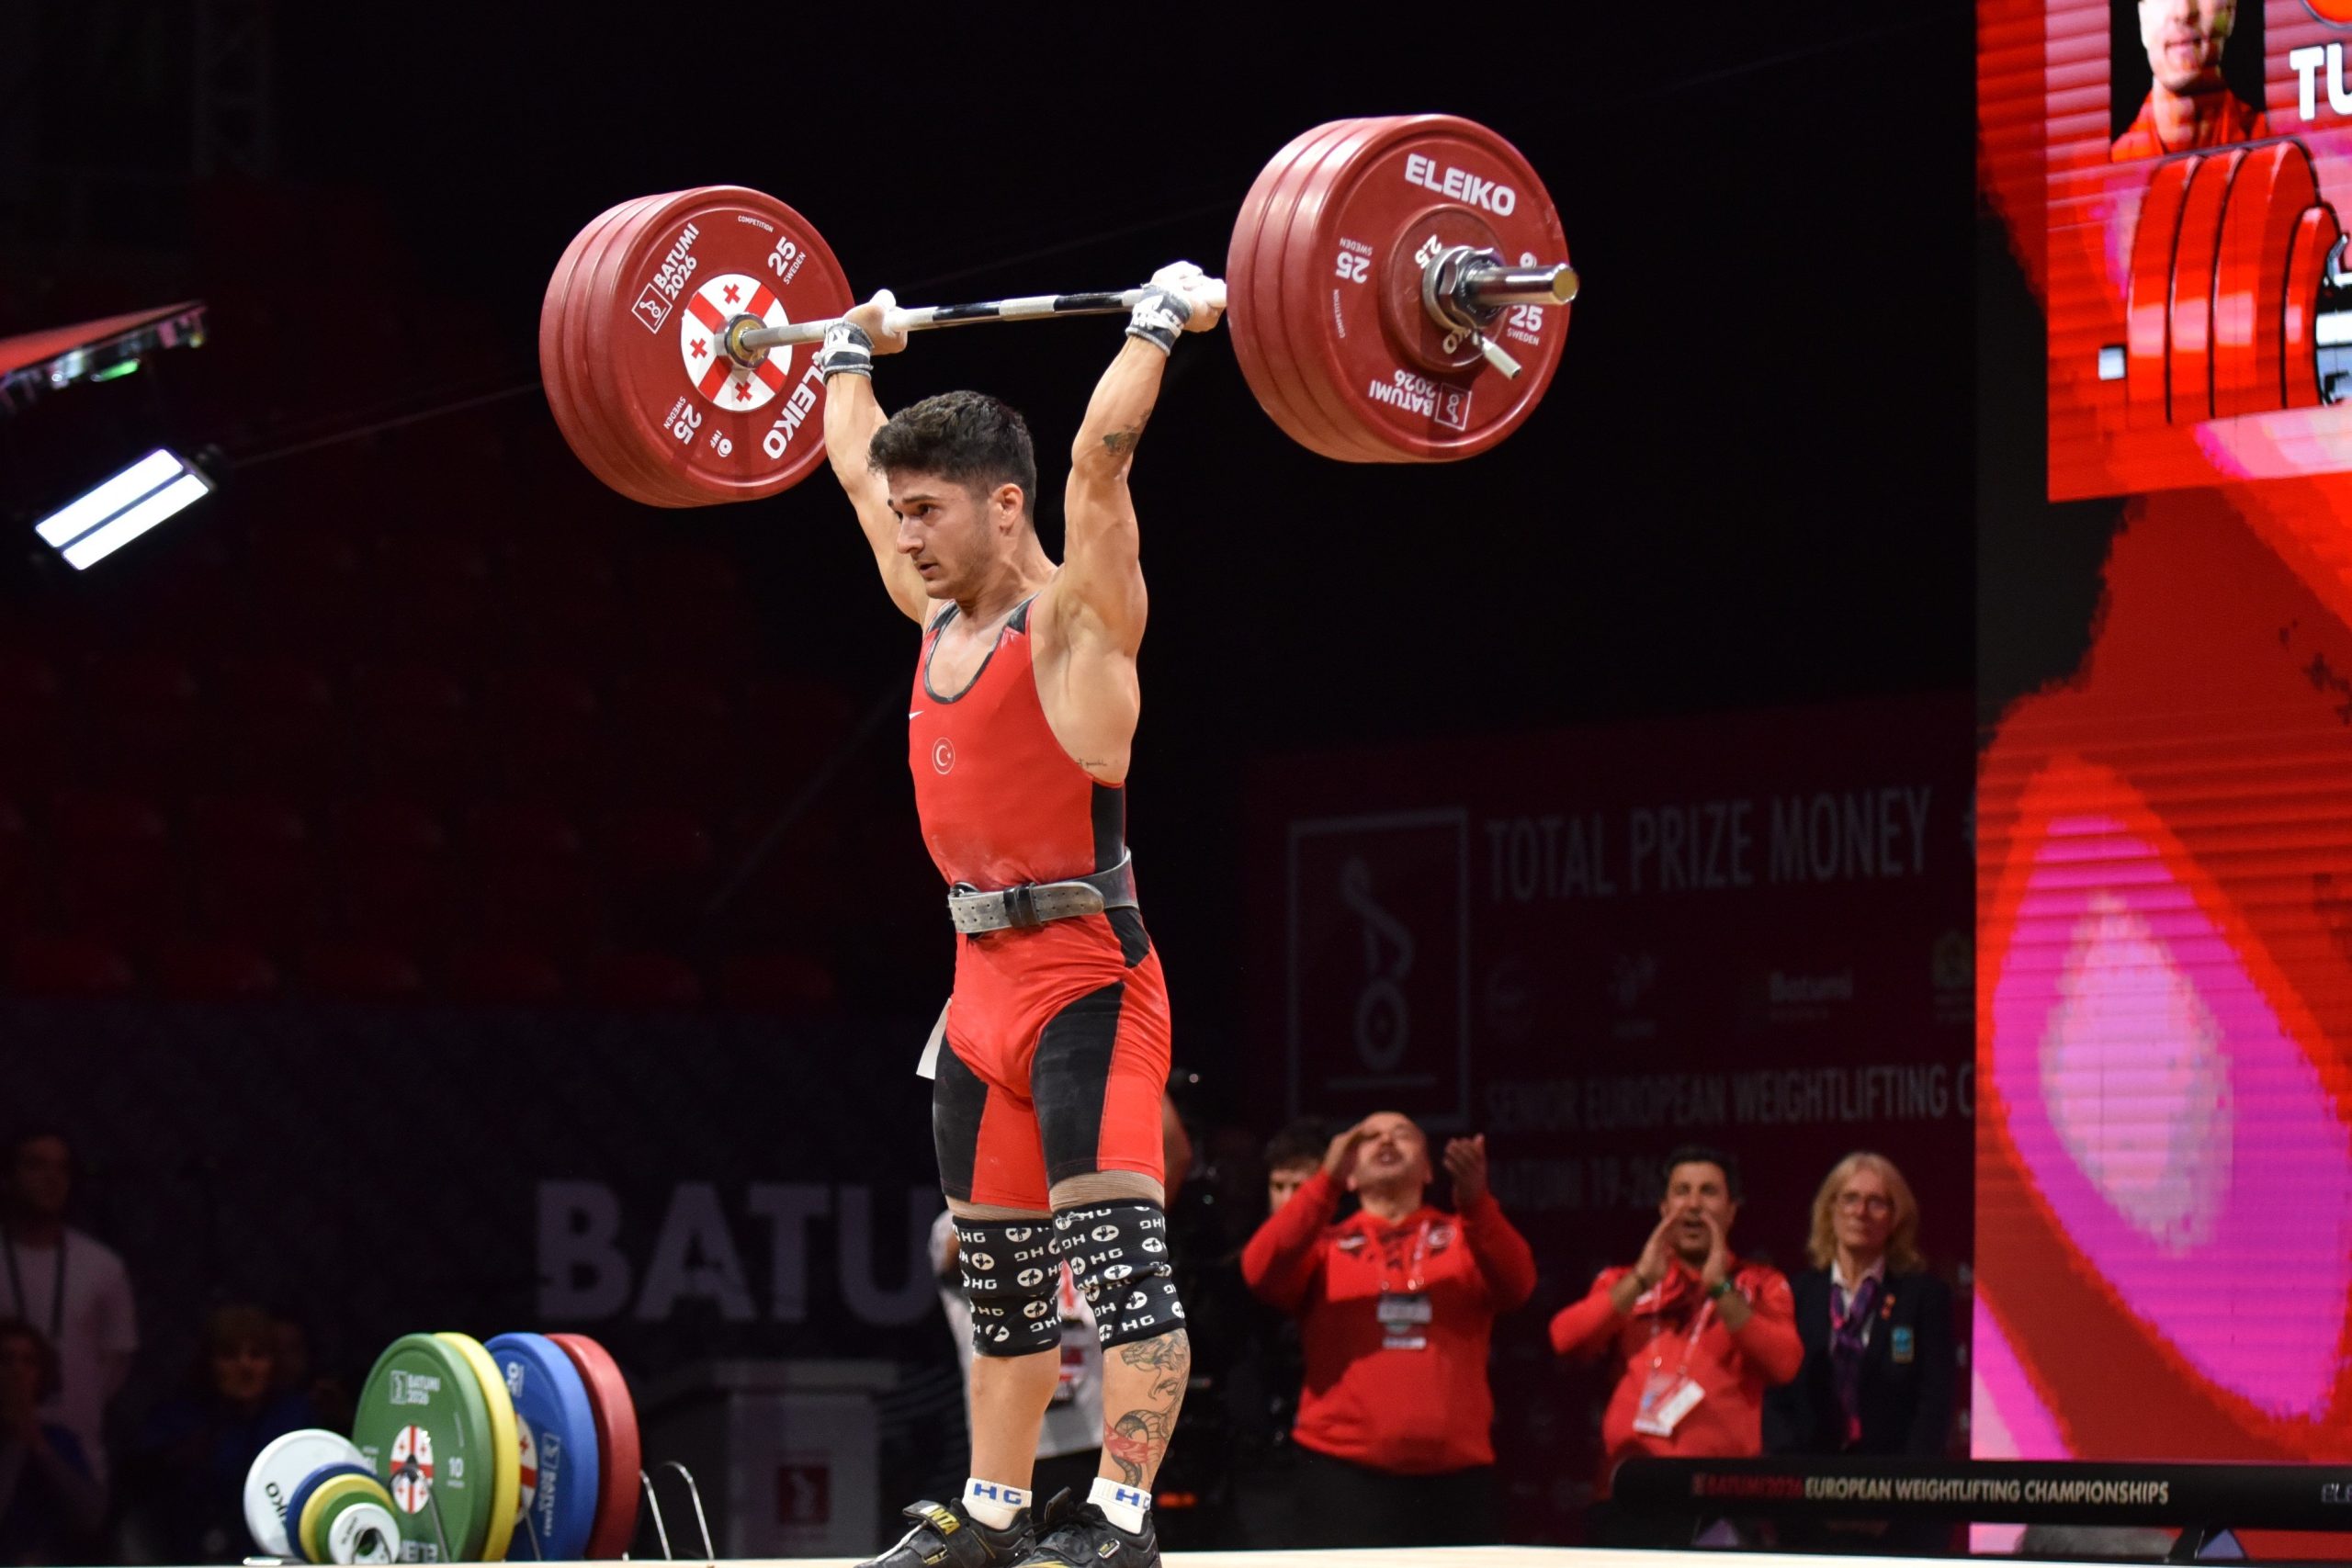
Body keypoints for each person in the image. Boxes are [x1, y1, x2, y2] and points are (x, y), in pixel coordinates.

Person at [819, 263, 1223, 1568]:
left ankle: (1120, 1514)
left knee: (1119, 1270)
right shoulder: (931, 612)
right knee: (996, 1288)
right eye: (902, 514)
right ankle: (991, 1512)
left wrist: (1158, 323)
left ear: (1005, 504)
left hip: (1087, 980)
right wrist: (844, 354)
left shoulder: (1074, 624)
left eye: (928, 510)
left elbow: (1101, 465)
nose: (906, 535)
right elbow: (851, 472)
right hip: (977, 992)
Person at [1239, 1112, 1535, 1547]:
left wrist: (1476, 1203)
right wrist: (1325, 1182)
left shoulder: (1466, 1237)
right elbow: (1258, 1270)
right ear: (1351, 1173)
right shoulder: (1324, 1246)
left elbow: (1518, 1285)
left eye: (1402, 1134)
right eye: (1370, 1137)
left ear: (1429, 1169)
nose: (1386, 1141)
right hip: (1344, 1475)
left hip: (1455, 1479)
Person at [930, 1103, 1193, 1509]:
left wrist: (1143, 1076)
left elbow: (1173, 1158)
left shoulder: (1094, 1217)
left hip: (1103, 1435)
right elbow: (957, 1248)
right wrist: (1016, 1168)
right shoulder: (964, 1224)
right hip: (1013, 1447)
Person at [1548, 1146, 1801, 1519]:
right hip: (1628, 1489)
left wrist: (1720, 1289)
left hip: (1719, 1498)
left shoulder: (1760, 1284)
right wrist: (1641, 1279)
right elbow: (1566, 1341)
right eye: (1682, 1191)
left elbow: (1783, 1365)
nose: (1694, 1205)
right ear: (1664, 1208)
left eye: (1708, 1192)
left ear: (1731, 1210)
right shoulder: (1624, 1282)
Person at [1762, 1153, 1955, 1552]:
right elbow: (1777, 1402)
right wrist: (1804, 1494)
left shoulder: (1923, 1296)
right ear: (1830, 1209)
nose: (1861, 1212)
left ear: (1896, 1218)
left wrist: (1898, 1499)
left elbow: (1934, 1407)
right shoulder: (1796, 1295)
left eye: (1876, 1202)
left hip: (1900, 1510)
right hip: (1808, 1507)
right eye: (1849, 1199)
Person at [130, 1303, 318, 1563]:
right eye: (230, 1355)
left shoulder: (294, 1417)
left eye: (257, 1355)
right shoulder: (176, 1418)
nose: (245, 1366)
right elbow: (142, 1491)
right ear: (209, 1363)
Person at [0, 1131, 135, 1486]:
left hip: (75, 1450)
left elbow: (116, 1359)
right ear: (8, 1177)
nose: (52, 1178)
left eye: (62, 1168)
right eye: (36, 1166)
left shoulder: (102, 1266)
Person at [0, 1318, 103, 1565]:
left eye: (29, 1361)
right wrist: (17, 1440)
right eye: (6, 1359)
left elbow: (91, 1517)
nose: (17, 1370)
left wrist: (40, 1447)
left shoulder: (59, 1439)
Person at [2111, 0, 2266, 161]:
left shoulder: (2274, 152)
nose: (2183, 11)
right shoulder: (2112, 171)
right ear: (2143, 16)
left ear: (2230, 11)